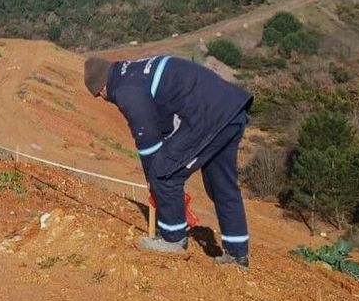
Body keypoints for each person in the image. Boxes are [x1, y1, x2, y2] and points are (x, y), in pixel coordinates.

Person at [84, 55, 252, 267]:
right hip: (230, 108)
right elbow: (164, 122)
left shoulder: (124, 89)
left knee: (163, 173)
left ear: (101, 87)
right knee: (222, 185)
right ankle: (237, 255)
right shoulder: (135, 72)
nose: (103, 99)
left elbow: (147, 140)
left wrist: (152, 181)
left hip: (207, 115)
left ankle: (172, 240)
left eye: (99, 95)